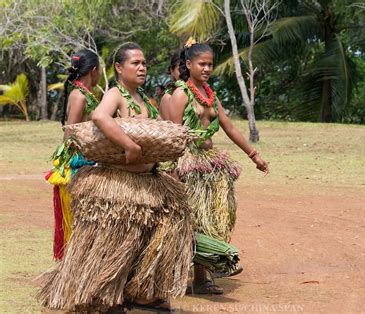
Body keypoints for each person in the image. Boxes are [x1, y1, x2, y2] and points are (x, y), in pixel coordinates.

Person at [38, 43, 193, 312]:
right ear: (119, 68)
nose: (142, 67)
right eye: (135, 63)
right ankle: (102, 295)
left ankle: (142, 291)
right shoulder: (115, 94)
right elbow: (99, 116)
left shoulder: (144, 98)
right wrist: (129, 145)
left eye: (144, 63)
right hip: (121, 182)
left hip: (149, 181)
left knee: (154, 239)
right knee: (121, 242)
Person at [167, 39, 269, 294]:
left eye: (210, 64)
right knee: (192, 222)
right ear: (188, 64)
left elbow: (230, 127)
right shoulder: (181, 94)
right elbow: (172, 133)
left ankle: (203, 277)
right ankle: (182, 277)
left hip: (209, 166)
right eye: (202, 64)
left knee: (212, 219)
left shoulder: (210, 95)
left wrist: (253, 155)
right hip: (187, 166)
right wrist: (173, 170)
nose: (207, 68)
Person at [45, 49, 100, 260]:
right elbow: (70, 131)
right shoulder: (79, 95)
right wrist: (70, 163)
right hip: (77, 163)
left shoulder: (82, 92)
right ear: (93, 71)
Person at [159, 51, 181, 120]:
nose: (185, 73)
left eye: (187, 70)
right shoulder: (168, 98)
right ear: (172, 71)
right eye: (180, 69)